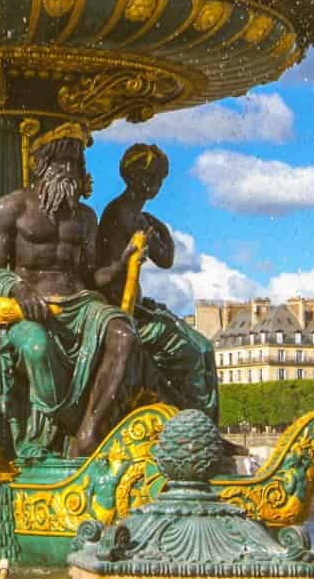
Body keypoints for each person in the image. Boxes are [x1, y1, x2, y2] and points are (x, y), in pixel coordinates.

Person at [0, 123, 140, 459]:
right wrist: (18, 289)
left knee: (124, 335)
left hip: (81, 303)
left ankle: (88, 433)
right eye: (59, 161)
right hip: (28, 306)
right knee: (35, 347)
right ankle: (55, 428)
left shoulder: (85, 217)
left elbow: (90, 276)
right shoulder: (11, 208)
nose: (67, 170)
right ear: (40, 164)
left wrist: (123, 263)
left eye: (75, 162)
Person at [91, 144, 219, 421]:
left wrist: (157, 227)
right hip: (123, 311)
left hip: (139, 308)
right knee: (197, 353)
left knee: (205, 348)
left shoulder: (137, 216)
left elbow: (166, 259)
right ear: (139, 179)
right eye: (155, 177)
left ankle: (199, 422)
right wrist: (127, 258)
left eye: (159, 178)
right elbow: (99, 275)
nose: (157, 185)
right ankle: (197, 423)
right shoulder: (121, 214)